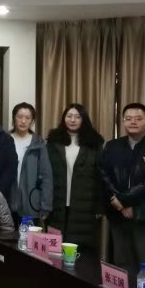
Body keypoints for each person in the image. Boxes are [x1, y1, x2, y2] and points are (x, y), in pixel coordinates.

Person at [100, 103, 145, 280]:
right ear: (123, 121)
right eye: (128, 118)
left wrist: (125, 200)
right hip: (118, 214)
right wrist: (117, 202)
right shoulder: (112, 146)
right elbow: (103, 175)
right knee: (122, 266)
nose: (133, 122)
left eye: (138, 118)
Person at [46, 103, 105, 248]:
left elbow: (101, 177)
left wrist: (100, 206)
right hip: (57, 204)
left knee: (80, 252)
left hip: (85, 206)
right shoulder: (53, 141)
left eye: (77, 117)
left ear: (84, 119)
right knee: (54, 250)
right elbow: (46, 175)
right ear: (63, 118)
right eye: (69, 116)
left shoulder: (94, 143)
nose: (73, 120)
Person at [9, 102, 53, 225]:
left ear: (32, 121)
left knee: (28, 236)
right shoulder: (5, 140)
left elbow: (46, 176)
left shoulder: (38, 143)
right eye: (19, 117)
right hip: (7, 200)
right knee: (6, 236)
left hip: (31, 201)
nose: (23, 121)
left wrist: (46, 205)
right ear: (13, 119)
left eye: (27, 118)